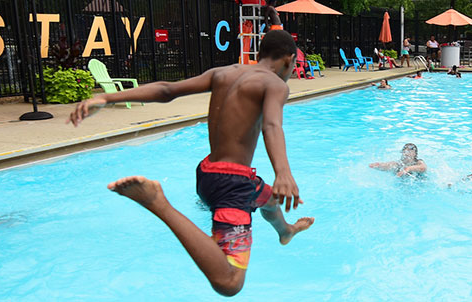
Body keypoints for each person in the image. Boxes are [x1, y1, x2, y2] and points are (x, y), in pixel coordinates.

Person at [67, 29, 314, 297]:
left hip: (208, 172)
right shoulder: (276, 85)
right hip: (232, 184)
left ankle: (286, 231)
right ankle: (157, 203)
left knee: (271, 199)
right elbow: (271, 123)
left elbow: (166, 90)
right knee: (230, 282)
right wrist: (283, 172)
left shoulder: (223, 73)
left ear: (259, 54)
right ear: (289, 60)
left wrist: (106, 97)